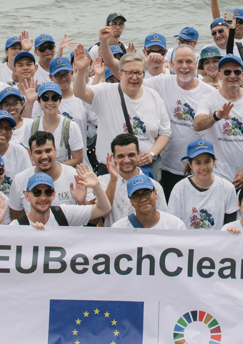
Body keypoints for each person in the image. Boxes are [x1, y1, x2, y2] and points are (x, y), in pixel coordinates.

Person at [82, 35, 171, 173]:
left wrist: (152, 154)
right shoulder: (106, 91)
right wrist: (82, 70)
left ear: (143, 74)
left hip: (144, 169)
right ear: (120, 74)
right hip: (110, 170)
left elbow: (165, 132)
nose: (134, 77)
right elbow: (80, 92)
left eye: (138, 73)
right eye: (129, 73)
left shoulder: (153, 95)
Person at [191, 53, 243, 187]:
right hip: (217, 174)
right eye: (227, 72)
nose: (232, 76)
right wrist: (217, 116)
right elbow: (197, 125)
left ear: (242, 75)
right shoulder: (208, 99)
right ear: (219, 75)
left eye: (237, 72)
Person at [145, 44, 213, 196]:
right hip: (168, 166)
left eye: (189, 62)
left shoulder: (209, 92)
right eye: (180, 62)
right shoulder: (162, 82)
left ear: (196, 65)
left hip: (199, 167)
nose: (184, 66)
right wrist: (147, 65)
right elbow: (131, 86)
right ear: (172, 64)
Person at [167, 139, 238, 229]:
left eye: (207, 161)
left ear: (214, 162)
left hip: (217, 242)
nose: (203, 167)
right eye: (198, 163)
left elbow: (230, 225)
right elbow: (173, 224)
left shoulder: (227, 188)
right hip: (187, 241)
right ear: (190, 165)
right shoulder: (180, 188)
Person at [95, 133, 163, 226]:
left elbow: (162, 220)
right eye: (121, 156)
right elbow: (104, 213)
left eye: (131, 155)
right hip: (112, 238)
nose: (126, 160)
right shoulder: (102, 181)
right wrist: (113, 179)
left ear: (138, 154)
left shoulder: (155, 186)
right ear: (113, 157)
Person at [10, 170, 108, 228]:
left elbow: (104, 209)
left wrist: (96, 186)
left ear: (53, 194)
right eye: (37, 192)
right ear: (27, 196)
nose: (43, 197)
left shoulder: (64, 213)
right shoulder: (17, 226)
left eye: (48, 192)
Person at [21, 81, 85, 165]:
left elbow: (78, 158)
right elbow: (27, 156)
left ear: (60, 101)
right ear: (39, 101)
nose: (50, 102)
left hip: (62, 173)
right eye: (45, 98)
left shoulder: (71, 126)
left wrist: (53, 168)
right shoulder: (31, 126)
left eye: (54, 98)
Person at [118, 174, 185, 230]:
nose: (143, 199)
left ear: (155, 194)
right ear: (131, 201)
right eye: (136, 197)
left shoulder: (176, 226)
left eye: (147, 194)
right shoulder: (119, 229)